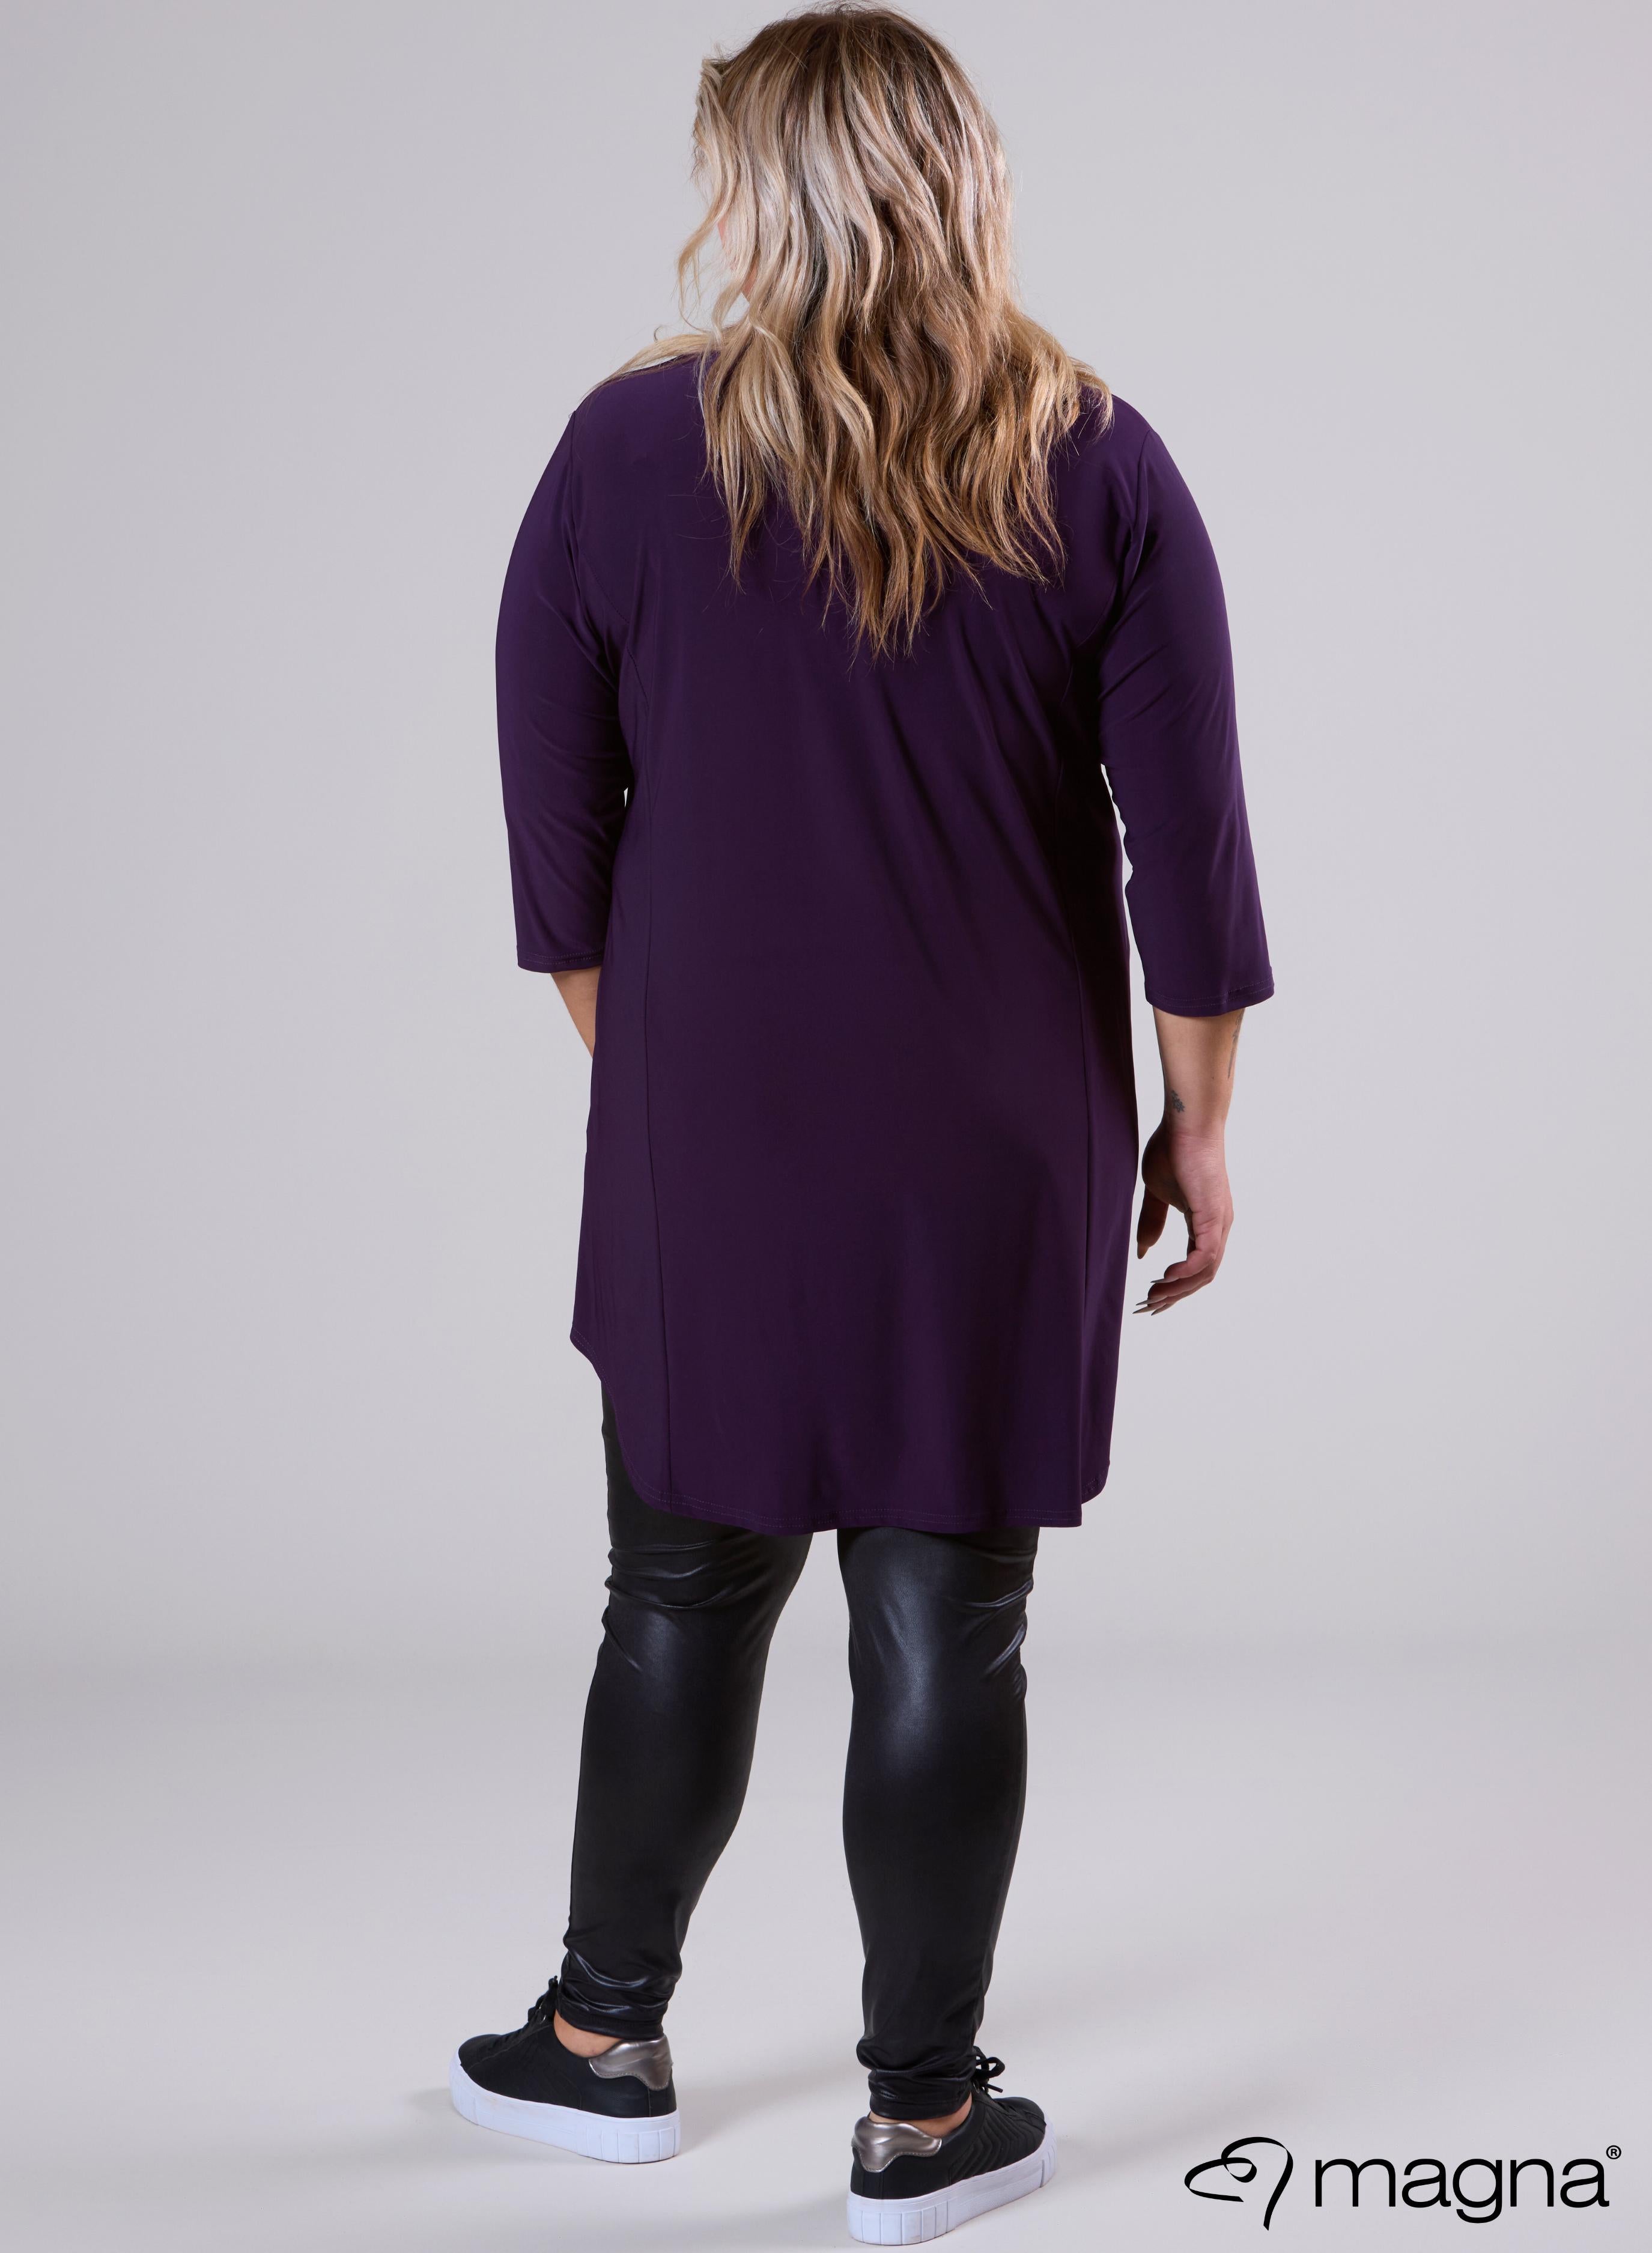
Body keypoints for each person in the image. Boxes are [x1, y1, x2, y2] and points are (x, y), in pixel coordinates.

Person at [449, 6, 1272, 2240]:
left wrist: (687, 1090)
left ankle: (602, 2044)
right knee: (948, 1626)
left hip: (708, 1129)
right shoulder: (1099, 462)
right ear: (962, 179)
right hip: (1000, 1140)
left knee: (673, 1590)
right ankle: (921, 2124)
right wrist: (1199, 1130)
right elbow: (1190, 864)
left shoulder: (623, 453)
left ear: (758, 191)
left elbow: (559, 860)